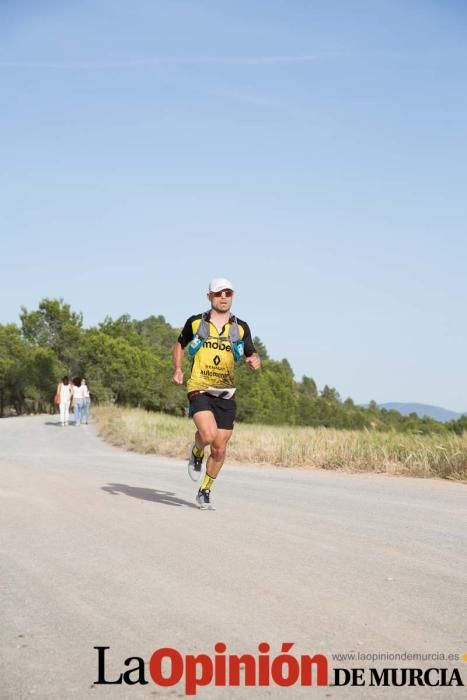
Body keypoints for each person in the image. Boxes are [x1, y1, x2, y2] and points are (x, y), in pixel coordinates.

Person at [172, 278, 261, 510]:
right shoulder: (195, 322)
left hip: (226, 392)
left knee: (220, 448)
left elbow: (252, 353)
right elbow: (180, 344)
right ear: (209, 296)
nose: (223, 297)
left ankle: (205, 490)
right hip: (199, 387)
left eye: (228, 293)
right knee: (208, 435)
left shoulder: (241, 327)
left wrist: (254, 360)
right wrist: (178, 369)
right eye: (219, 293)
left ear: (233, 296)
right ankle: (197, 450)